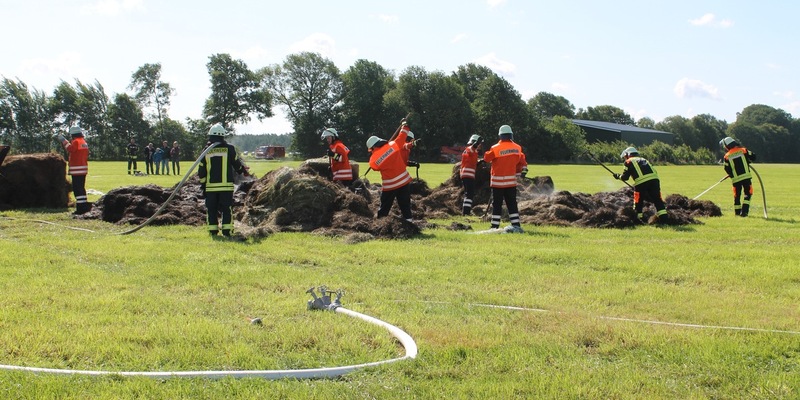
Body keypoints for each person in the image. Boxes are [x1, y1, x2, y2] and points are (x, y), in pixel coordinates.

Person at [198, 123, 249, 237]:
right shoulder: (229, 148)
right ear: (223, 136)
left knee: (211, 209)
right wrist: (243, 171)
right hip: (226, 186)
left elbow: (201, 170)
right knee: (227, 209)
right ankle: (227, 231)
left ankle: (213, 231)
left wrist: (203, 185)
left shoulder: (206, 150)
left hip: (211, 187)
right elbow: (236, 164)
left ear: (210, 136)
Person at [483, 125, 527, 233]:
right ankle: (516, 224)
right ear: (511, 135)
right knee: (512, 203)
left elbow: (487, 158)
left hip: (497, 183)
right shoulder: (517, 148)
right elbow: (521, 163)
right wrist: (521, 172)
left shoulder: (495, 148)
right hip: (511, 182)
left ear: (500, 136)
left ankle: (495, 226)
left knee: (497, 204)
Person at [366, 123, 414, 222]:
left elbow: (374, 167)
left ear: (373, 147)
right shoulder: (393, 145)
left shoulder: (373, 159)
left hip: (390, 185)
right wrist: (405, 126)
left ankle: (380, 223)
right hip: (403, 181)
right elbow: (402, 137)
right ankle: (409, 222)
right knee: (405, 204)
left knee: (385, 206)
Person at [614, 146, 669, 223]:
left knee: (638, 202)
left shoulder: (628, 161)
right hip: (655, 180)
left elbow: (625, 177)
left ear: (628, 155)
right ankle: (664, 219)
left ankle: (639, 220)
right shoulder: (644, 159)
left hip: (641, 182)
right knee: (657, 200)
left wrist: (618, 176)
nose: (625, 158)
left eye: (625, 157)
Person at [56, 126, 91, 214]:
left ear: (73, 134)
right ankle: (84, 205)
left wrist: (64, 140)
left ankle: (80, 208)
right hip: (83, 169)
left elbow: (70, 149)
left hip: (77, 169)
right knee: (81, 188)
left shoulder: (76, 141)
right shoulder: (83, 142)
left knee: (77, 188)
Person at [720, 136, 756, 217]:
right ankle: (744, 212)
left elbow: (726, 168)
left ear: (727, 146)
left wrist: (731, 175)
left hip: (736, 180)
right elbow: (753, 156)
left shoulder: (727, 156)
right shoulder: (743, 150)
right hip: (746, 177)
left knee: (737, 196)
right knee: (748, 194)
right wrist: (748, 160)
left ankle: (737, 213)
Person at [460, 134, 484, 215]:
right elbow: (472, 148)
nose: (480, 145)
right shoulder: (470, 149)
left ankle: (466, 211)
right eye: (480, 144)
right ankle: (466, 212)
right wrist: (477, 143)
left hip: (466, 175)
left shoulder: (472, 152)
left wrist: (480, 162)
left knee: (468, 193)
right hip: (468, 175)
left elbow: (471, 162)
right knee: (469, 194)